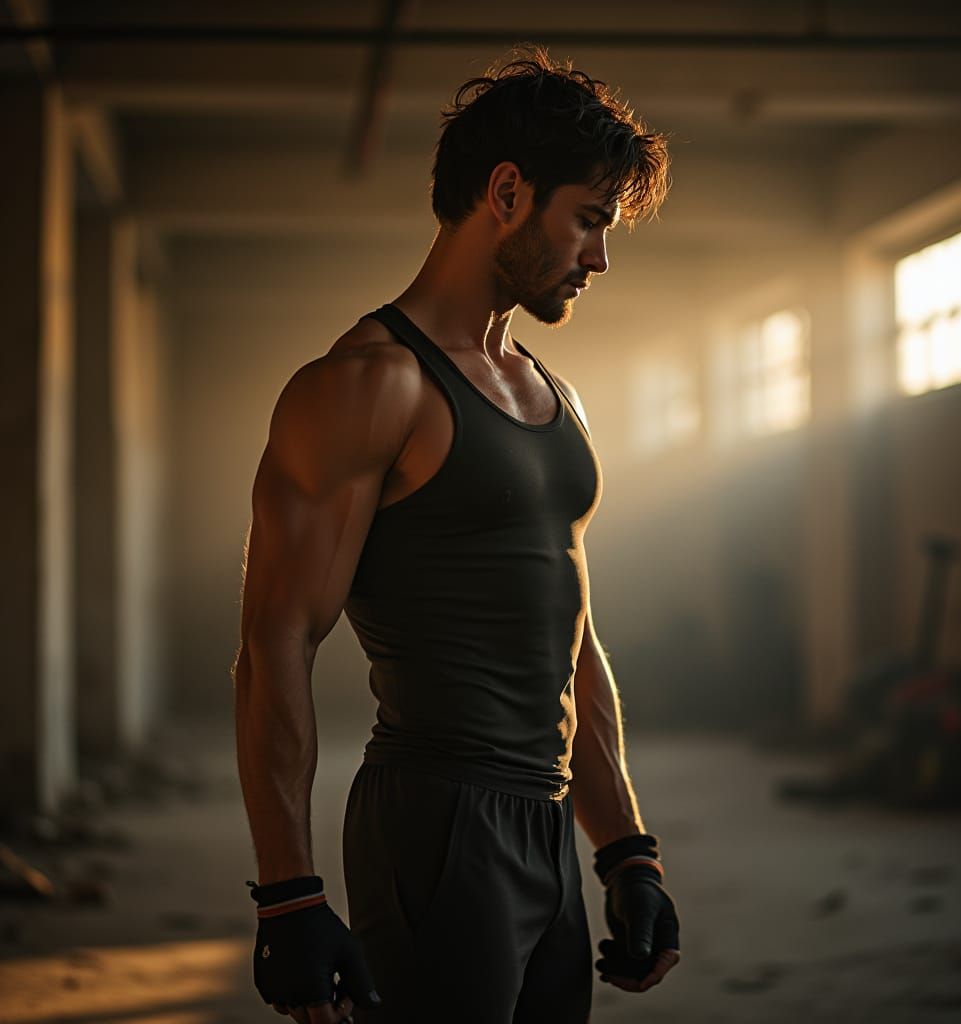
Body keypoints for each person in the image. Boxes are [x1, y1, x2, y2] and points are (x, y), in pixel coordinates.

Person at [233, 48, 678, 1024]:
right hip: (436, 817)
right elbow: (276, 640)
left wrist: (625, 848)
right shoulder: (365, 386)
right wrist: (288, 892)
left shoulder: (556, 398)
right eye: (589, 221)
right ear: (508, 193)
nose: (600, 258)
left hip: (546, 820)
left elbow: (574, 638)